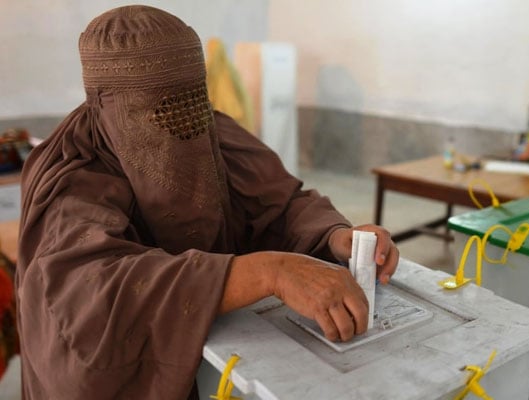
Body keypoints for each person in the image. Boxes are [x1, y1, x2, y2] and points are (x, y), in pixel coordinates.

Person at [16, 6, 399, 399]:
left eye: (191, 100)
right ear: (106, 102)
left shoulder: (208, 129)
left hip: (225, 361)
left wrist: (335, 236)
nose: (181, 125)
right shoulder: (74, 174)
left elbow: (279, 204)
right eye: (160, 108)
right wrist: (269, 272)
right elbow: (95, 291)